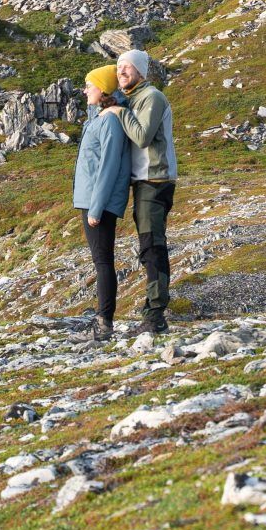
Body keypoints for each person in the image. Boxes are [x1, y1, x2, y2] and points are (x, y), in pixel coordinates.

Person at [115, 48, 176, 338]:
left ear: (140, 71)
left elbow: (142, 137)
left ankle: (156, 314)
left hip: (155, 179)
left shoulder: (151, 97)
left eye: (127, 67)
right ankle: (152, 308)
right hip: (143, 181)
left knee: (153, 246)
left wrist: (119, 111)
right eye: (119, 68)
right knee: (148, 245)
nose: (122, 72)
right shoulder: (133, 99)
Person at [71, 64, 130, 344]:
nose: (85, 91)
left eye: (89, 86)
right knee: (101, 260)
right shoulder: (102, 117)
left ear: (103, 89)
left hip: (99, 202)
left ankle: (104, 323)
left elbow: (109, 166)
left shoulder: (110, 122)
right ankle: (101, 320)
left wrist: (96, 208)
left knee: (103, 261)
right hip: (92, 199)